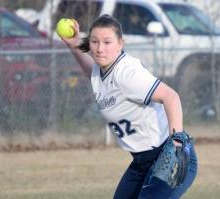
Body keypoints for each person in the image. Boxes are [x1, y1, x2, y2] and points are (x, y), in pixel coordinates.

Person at [60, 14, 197, 199]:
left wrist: (177, 144)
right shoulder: (101, 71)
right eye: (94, 42)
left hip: (169, 157)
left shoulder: (127, 73)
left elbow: (171, 97)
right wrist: (74, 44)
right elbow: (91, 72)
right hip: (142, 162)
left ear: (120, 43)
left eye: (107, 42)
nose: (100, 49)